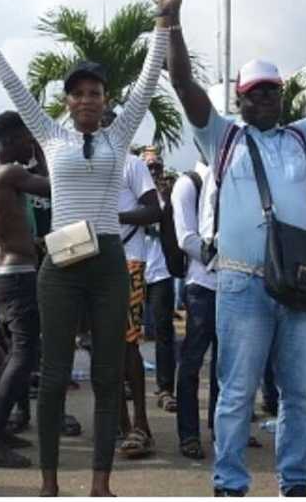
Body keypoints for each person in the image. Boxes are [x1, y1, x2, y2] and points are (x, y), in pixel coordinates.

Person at [168, 6, 306, 496]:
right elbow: (184, 86)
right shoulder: (222, 137)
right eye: (255, 93)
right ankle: (230, 482)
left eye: (271, 90)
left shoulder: (301, 136)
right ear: (240, 99)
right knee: (236, 392)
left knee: (298, 392)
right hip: (241, 281)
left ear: (281, 94)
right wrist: (173, 22)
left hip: (298, 284)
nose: (265, 98)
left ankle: (295, 481)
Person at [0, 0, 175, 497]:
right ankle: (49, 486)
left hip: (110, 259)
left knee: (109, 375)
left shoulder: (120, 134)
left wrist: (163, 18)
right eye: (79, 93)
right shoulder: (49, 134)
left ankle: (99, 486)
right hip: (62, 263)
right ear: (67, 101)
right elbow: (14, 86)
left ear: (106, 100)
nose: (87, 100)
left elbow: (151, 76)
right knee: (54, 373)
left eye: (96, 93)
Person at [0, 110, 50, 469]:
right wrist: (44, 154)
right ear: (14, 139)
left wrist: (11, 239)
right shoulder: (13, 173)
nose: (30, 144)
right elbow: (52, 185)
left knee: (18, 352)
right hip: (17, 274)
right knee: (23, 355)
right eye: (27, 138)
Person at [116, 150, 162, 460]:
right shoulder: (83, 164)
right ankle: (121, 424)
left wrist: (115, 216)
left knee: (128, 343)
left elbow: (154, 210)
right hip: (89, 261)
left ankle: (141, 424)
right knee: (104, 347)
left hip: (129, 261)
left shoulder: (131, 165)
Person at [171, 162, 219, 461]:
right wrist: (224, 258)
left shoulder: (234, 177)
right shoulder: (190, 182)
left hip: (235, 285)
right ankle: (188, 434)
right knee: (192, 363)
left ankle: (221, 429)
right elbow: (186, 238)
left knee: (227, 367)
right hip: (203, 285)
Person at [141, 147, 177, 415]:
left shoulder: (170, 194)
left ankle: (166, 388)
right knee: (127, 331)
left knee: (163, 330)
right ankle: (128, 383)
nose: (154, 171)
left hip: (161, 269)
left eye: (157, 166)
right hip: (132, 265)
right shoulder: (131, 189)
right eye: (149, 167)